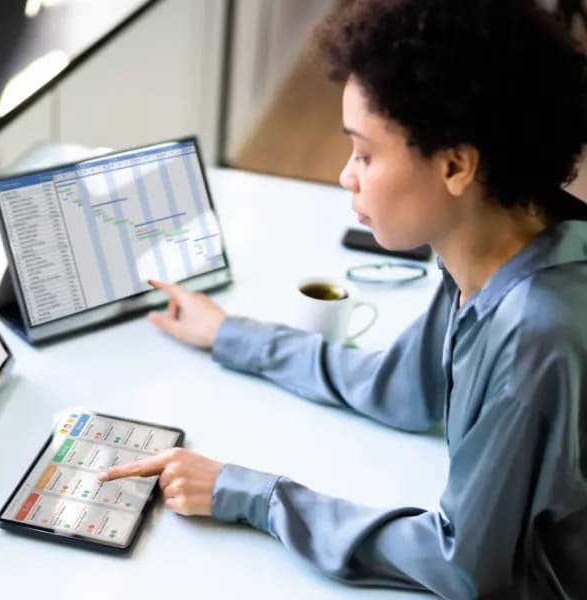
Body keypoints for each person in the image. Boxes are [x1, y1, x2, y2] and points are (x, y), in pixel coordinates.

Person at [99, 0, 587, 597]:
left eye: (365, 152)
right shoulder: (498, 240)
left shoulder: (537, 332)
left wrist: (254, 495)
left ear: (456, 165)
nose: (345, 176)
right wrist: (230, 335)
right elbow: (403, 390)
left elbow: (462, 566)